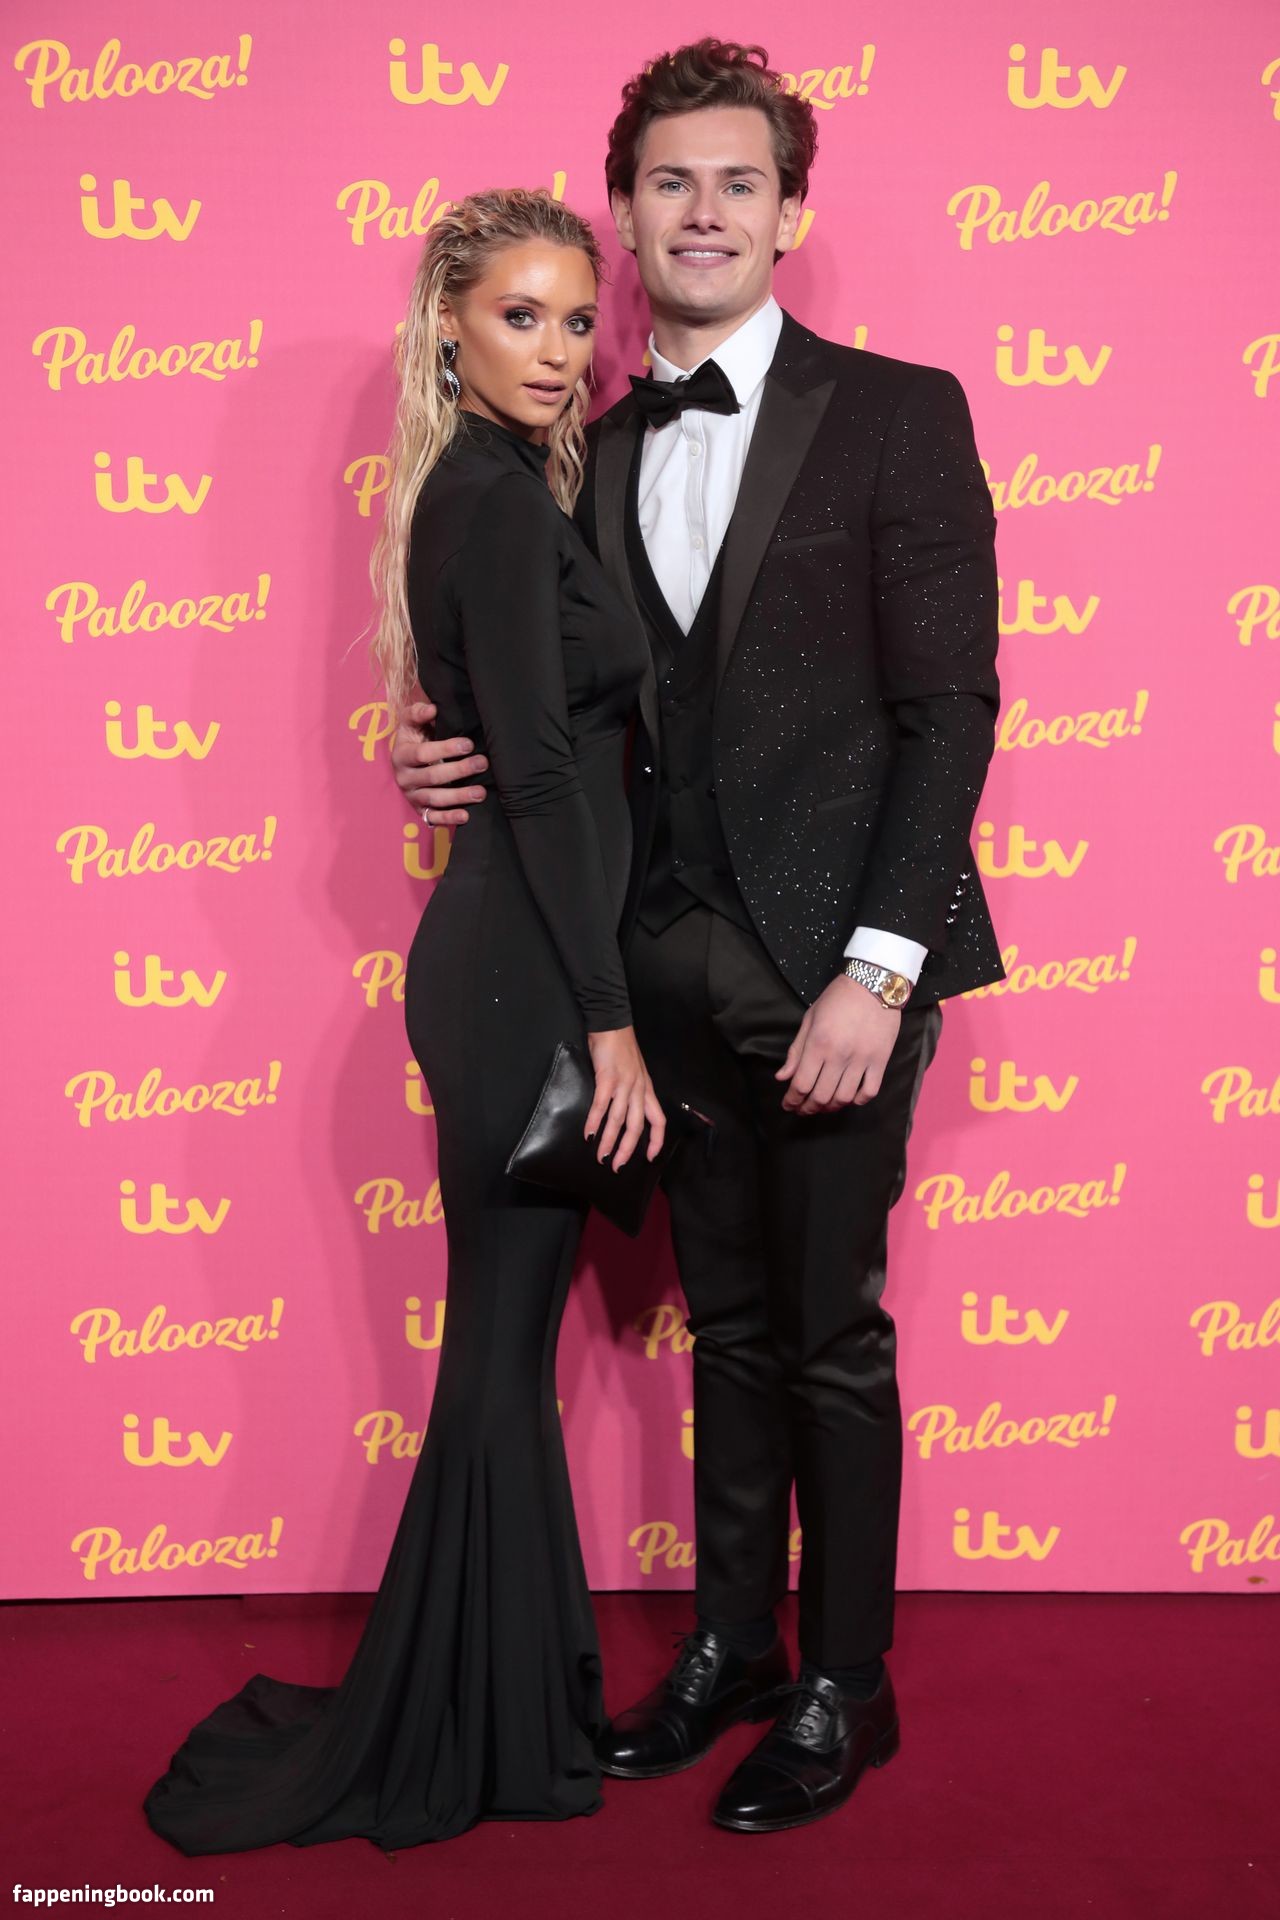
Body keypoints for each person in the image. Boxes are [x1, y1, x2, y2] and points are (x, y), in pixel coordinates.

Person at [393, 40, 1005, 1835]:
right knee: (728, 1331)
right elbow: (549, 701)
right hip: (653, 970)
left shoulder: (899, 410)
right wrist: (440, 752)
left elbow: (950, 714)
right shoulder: (568, 446)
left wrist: (880, 974)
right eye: (672, 181)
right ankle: (735, 1645)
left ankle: (845, 1685)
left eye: (742, 181)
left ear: (791, 213)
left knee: (831, 1338)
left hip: (834, 973)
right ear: (626, 214)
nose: (707, 210)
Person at [143, 188, 662, 1855]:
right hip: (524, 976)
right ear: (447, 322)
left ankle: (495, 1705)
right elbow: (545, 779)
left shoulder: (502, 487)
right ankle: (471, 1728)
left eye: (575, 320)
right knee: (500, 1360)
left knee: (501, 1358)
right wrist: (612, 1028)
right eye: (519, 316)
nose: (557, 351)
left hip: (518, 957)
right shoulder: (491, 502)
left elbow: (529, 751)